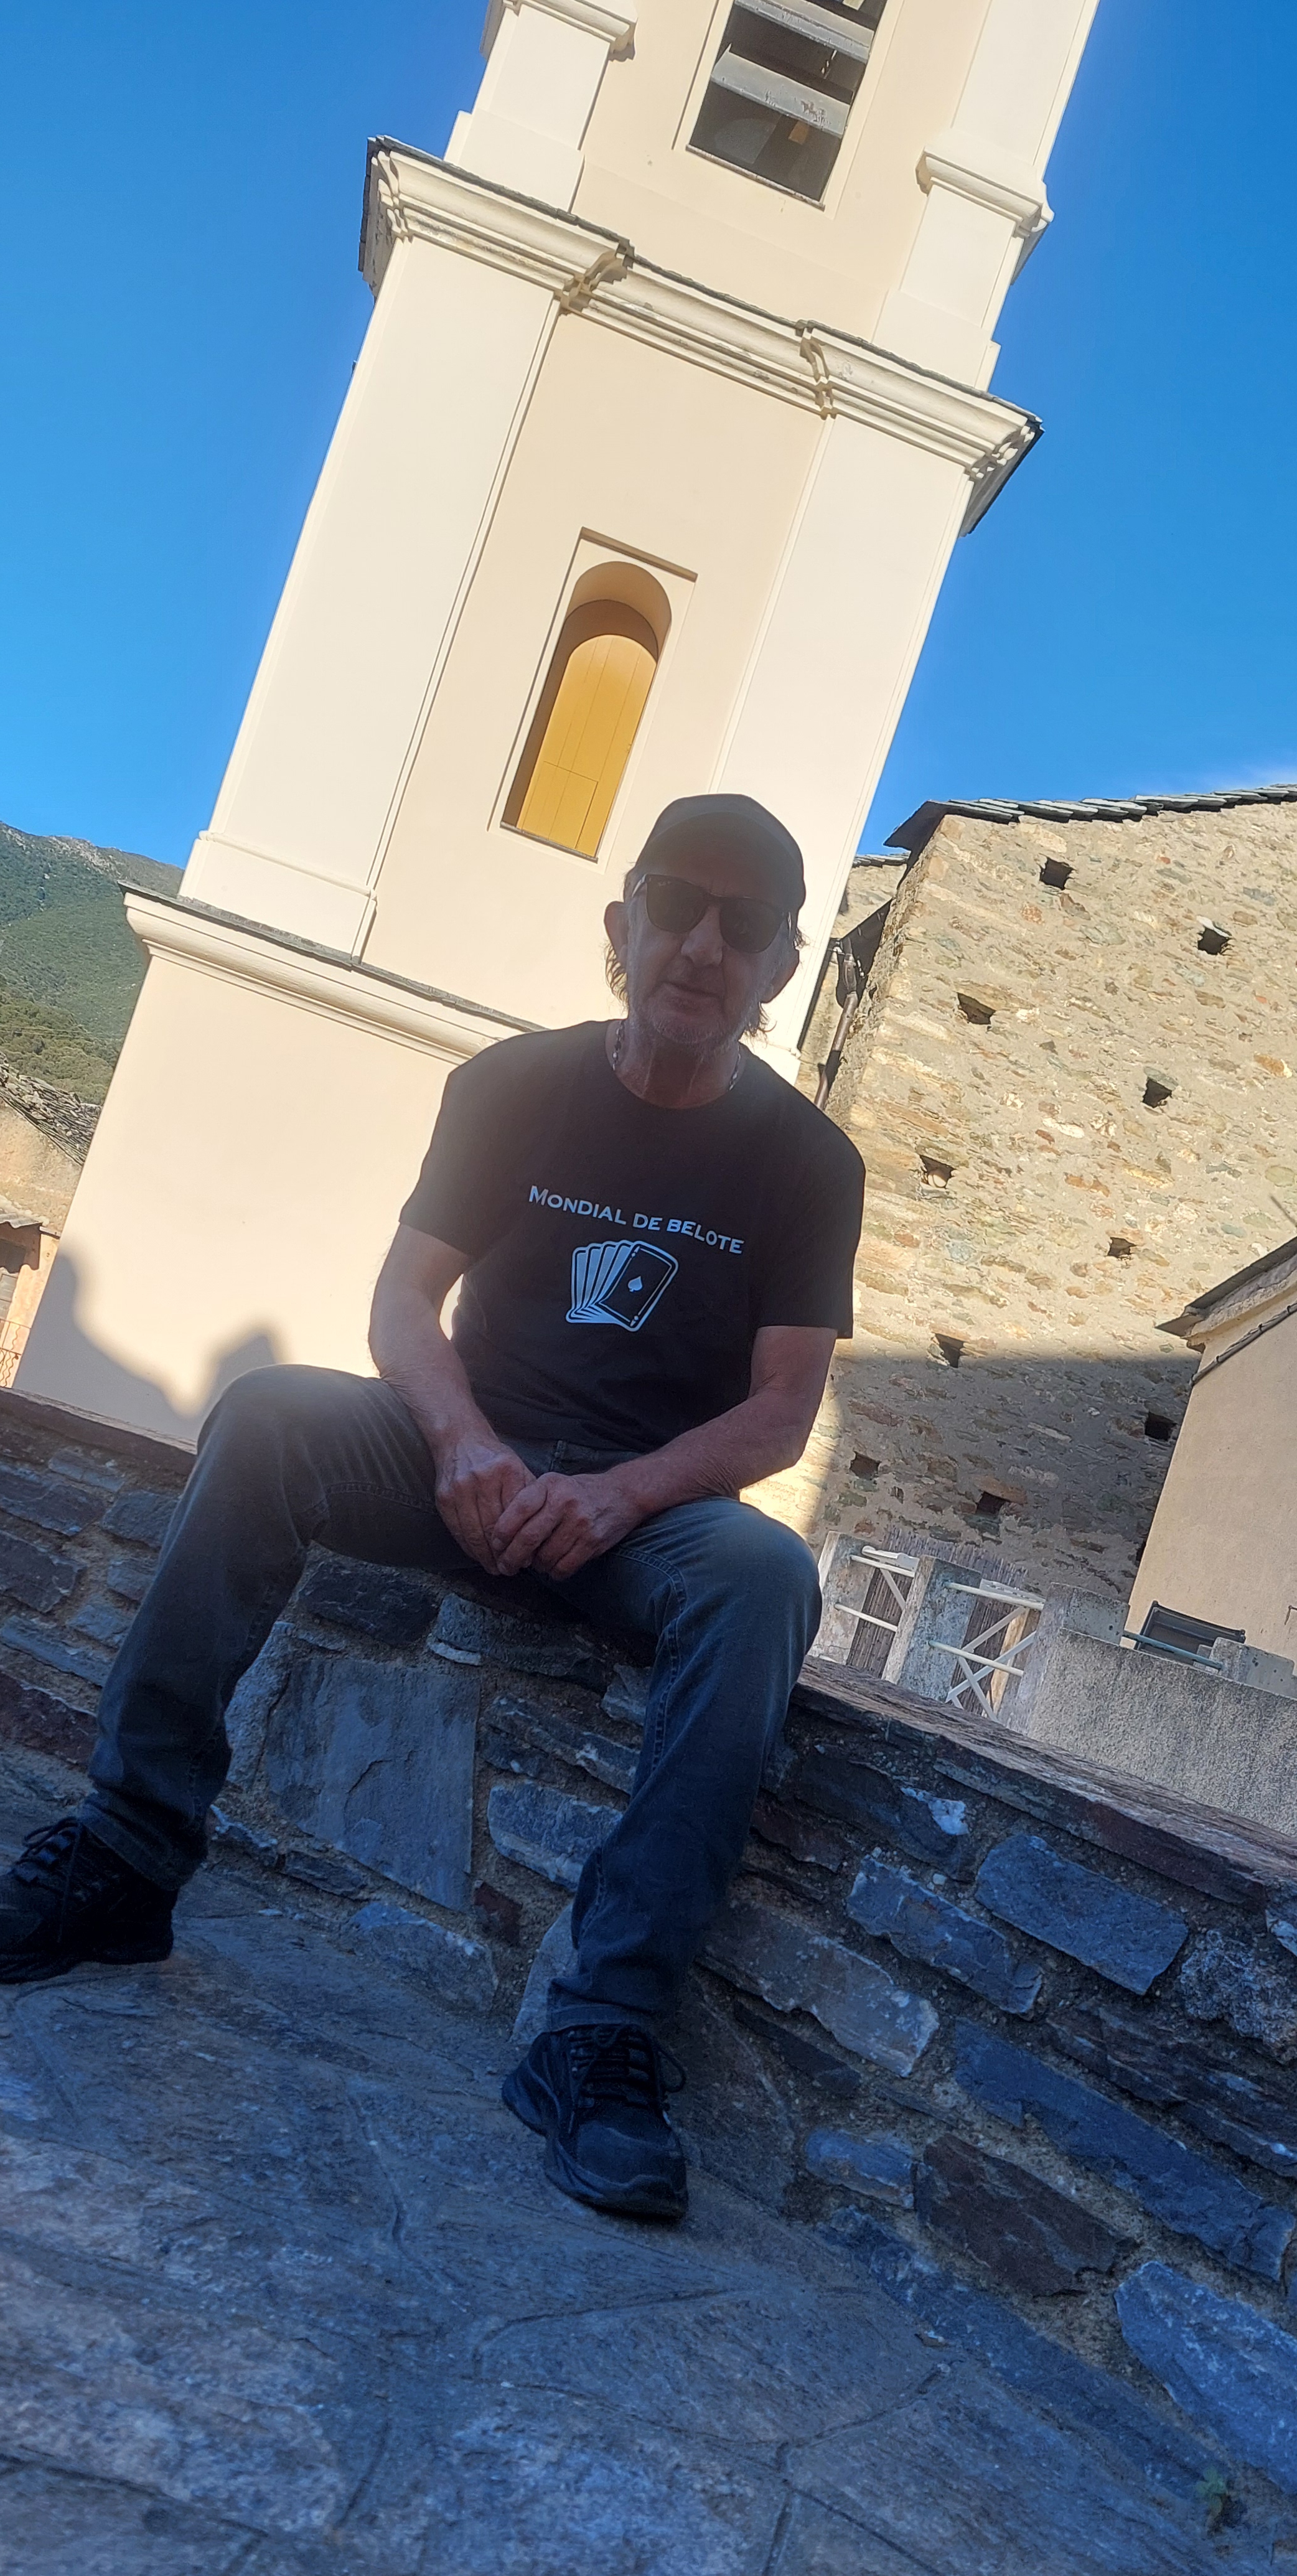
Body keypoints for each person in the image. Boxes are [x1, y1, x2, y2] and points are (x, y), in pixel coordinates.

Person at [0, 795, 864, 2222]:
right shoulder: (513, 1084)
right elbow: (406, 1298)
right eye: (677, 905)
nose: (704, 945)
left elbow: (781, 1410)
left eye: (746, 923)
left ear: (779, 963)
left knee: (764, 1576)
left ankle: (598, 2027)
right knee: (270, 1414)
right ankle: (126, 1853)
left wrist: (621, 1493)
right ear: (623, 923)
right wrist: (462, 1443)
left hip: (643, 1513)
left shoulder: (808, 1163)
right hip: (459, 1454)